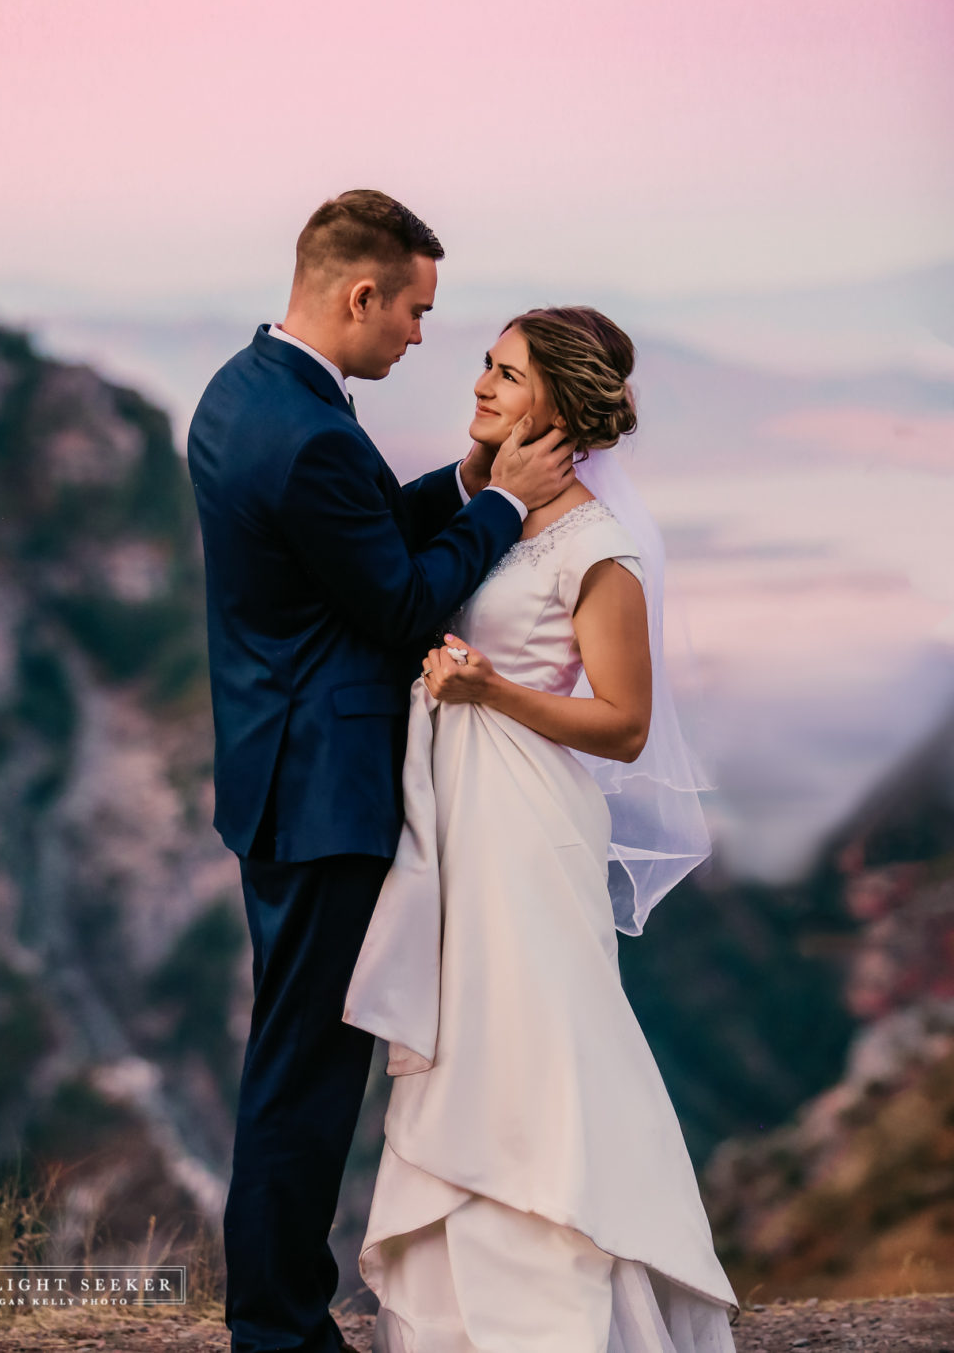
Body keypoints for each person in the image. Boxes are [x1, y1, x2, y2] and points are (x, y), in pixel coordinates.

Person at [186, 191, 576, 1353]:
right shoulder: (308, 430)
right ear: (363, 293)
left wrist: (463, 480)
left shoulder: (245, 389)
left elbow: (347, 537)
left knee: (292, 1061)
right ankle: (280, 1331)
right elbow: (401, 600)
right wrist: (512, 502)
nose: (419, 335)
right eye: (414, 309)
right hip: (324, 790)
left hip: (273, 766)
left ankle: (278, 1318)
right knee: (305, 1076)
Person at [343, 306, 740, 1352]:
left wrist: (491, 693)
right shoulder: (489, 506)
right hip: (452, 818)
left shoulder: (598, 547)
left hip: (528, 823)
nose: (480, 381)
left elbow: (626, 722)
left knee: (538, 1048)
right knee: (466, 1044)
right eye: (485, 362)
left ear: (557, 404)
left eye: (505, 372)